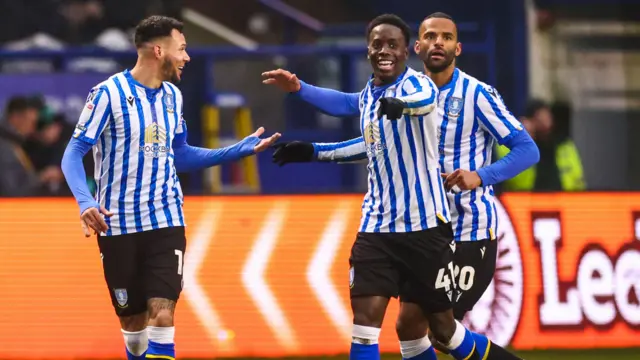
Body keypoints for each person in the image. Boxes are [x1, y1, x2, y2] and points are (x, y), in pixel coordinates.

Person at [264, 12, 540, 360]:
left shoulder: (469, 94)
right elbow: (360, 120)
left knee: (441, 332)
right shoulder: (387, 90)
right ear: (418, 46)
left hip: (466, 227)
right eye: (430, 36)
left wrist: (480, 175)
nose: (438, 42)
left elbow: (528, 149)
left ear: (458, 47)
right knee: (407, 328)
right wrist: (307, 119)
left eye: (447, 37)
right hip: (411, 226)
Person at [60, 16, 280, 360]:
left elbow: (180, 155)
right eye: (182, 48)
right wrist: (85, 202)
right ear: (159, 50)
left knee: (163, 314)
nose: (187, 57)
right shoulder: (108, 95)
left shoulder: (173, 97)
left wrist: (236, 150)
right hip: (117, 223)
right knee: (133, 325)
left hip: (166, 221)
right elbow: (73, 153)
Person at [0, 96, 63, 196]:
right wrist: (42, 178)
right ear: (16, 118)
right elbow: (12, 191)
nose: (33, 128)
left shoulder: (14, 144)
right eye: (32, 122)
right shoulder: (5, 147)